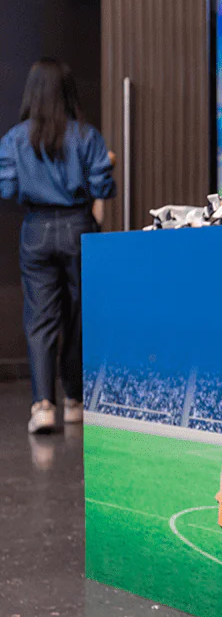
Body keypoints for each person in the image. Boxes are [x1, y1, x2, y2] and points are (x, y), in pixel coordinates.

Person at [0, 59, 115, 433]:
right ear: (69, 91)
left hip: (35, 228)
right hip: (78, 226)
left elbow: (6, 189)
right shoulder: (87, 135)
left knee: (40, 319)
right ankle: (75, 401)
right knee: (81, 316)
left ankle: (42, 406)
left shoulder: (14, 139)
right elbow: (103, 189)